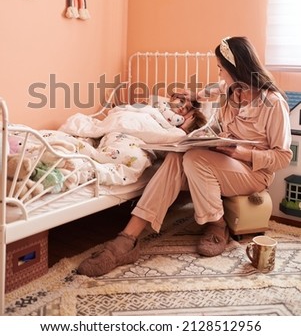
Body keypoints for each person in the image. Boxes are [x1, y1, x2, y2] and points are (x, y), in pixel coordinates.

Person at [78, 36, 292, 277]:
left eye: (221, 69)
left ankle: (217, 223)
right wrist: (193, 96)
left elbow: (282, 157)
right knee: (175, 158)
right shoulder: (231, 89)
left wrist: (240, 151)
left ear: (236, 67)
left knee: (194, 158)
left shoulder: (273, 103)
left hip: (253, 174)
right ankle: (127, 240)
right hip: (220, 164)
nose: (220, 74)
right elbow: (209, 91)